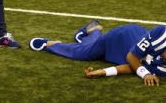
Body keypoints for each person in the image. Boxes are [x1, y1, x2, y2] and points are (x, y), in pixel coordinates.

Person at [29, 20, 166, 86]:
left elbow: (133, 68)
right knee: (84, 53)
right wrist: (145, 74)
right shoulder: (161, 33)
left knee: (91, 47)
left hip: (126, 52)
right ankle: (49, 44)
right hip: (121, 36)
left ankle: (93, 30)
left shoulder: (163, 70)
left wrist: (103, 72)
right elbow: (132, 57)